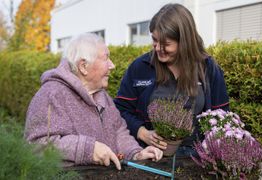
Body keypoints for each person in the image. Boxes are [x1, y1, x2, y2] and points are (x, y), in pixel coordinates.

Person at [24, 33, 163, 170]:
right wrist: (89, 149)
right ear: (83, 66)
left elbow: (119, 132)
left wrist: (136, 153)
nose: (112, 65)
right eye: (106, 58)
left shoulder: (103, 97)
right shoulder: (51, 95)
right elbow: (38, 146)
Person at [114, 3, 230, 156]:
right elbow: (120, 110)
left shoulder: (208, 68)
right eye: (155, 40)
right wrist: (142, 133)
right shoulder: (140, 67)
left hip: (196, 158)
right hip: (151, 155)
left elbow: (222, 115)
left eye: (166, 44)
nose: (157, 48)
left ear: (185, 41)